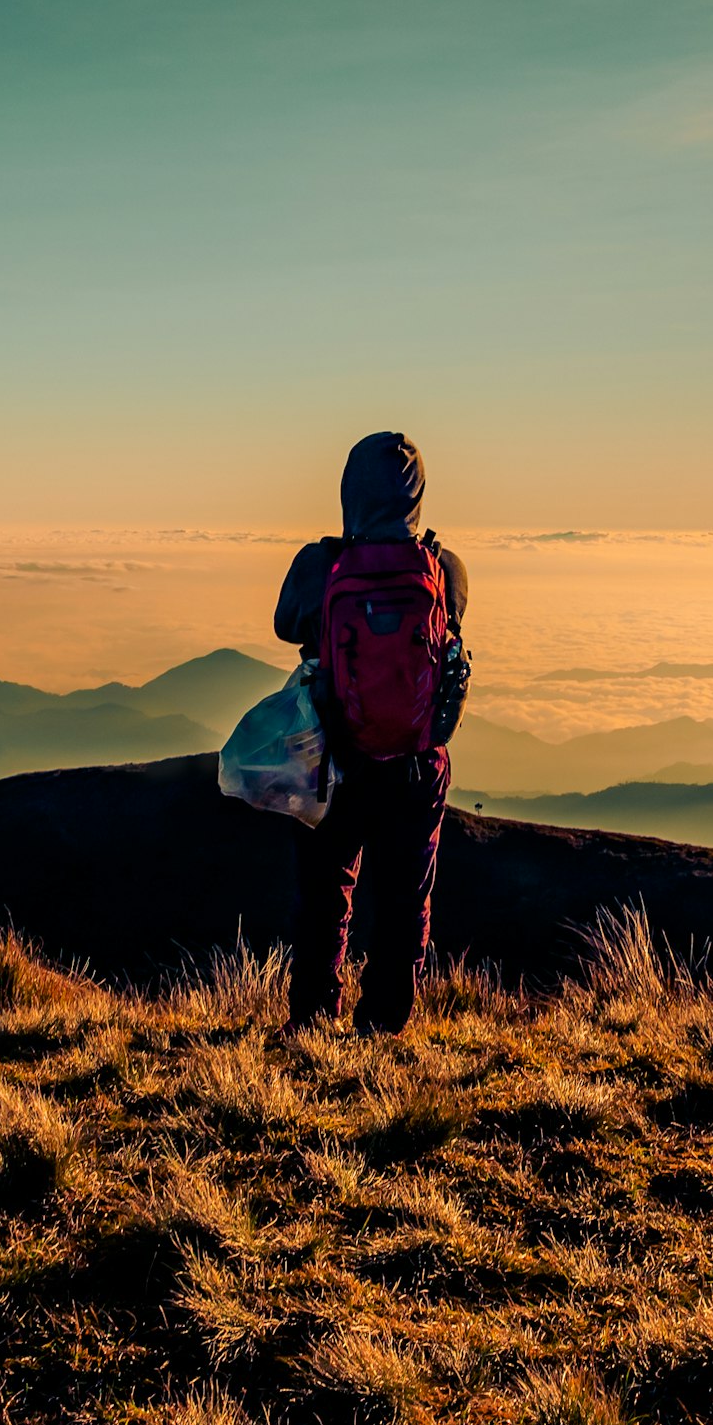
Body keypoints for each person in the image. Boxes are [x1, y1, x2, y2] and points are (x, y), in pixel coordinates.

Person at [271, 431, 469, 1035]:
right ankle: (384, 1022)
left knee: (326, 893)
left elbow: (286, 625)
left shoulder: (320, 564)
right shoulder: (443, 567)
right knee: (405, 896)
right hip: (413, 764)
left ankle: (311, 1020)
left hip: (337, 757)